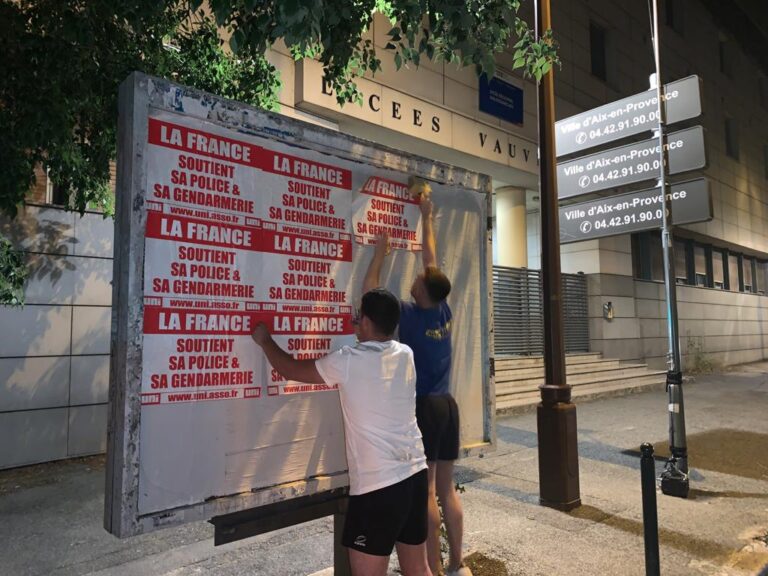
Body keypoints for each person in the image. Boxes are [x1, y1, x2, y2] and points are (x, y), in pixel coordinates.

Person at [251, 288, 432, 576]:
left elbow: (291, 369)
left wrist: (265, 341)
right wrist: (363, 329)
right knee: (419, 570)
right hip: (415, 475)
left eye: (359, 318)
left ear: (369, 322)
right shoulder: (405, 354)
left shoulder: (348, 360)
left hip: (378, 487)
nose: (355, 322)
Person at [364, 184, 471, 576]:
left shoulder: (410, 316)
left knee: (427, 492)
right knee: (447, 488)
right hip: (448, 406)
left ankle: (431, 568)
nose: (416, 277)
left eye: (419, 280)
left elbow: (371, 293)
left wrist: (378, 256)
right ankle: (457, 562)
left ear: (423, 292)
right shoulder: (441, 310)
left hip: (425, 407)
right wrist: (426, 215)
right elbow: (432, 257)